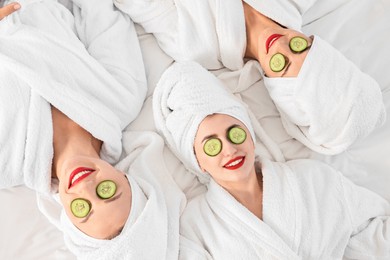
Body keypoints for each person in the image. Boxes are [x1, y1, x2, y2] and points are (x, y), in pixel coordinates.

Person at [1, 1, 183, 259]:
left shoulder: (6, 163)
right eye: (106, 192)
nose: (85, 187)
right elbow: (98, 11)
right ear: (126, 179)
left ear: (67, 218)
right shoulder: (122, 96)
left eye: (81, 208)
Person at [153, 61, 390, 259]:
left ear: (251, 136)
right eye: (211, 146)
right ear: (198, 162)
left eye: (235, 133)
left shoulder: (311, 178)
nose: (229, 149)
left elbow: (373, 234)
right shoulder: (195, 227)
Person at [115, 0, 385, 156]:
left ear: (281, 89)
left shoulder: (194, 45)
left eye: (283, 65)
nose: (280, 45)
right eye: (301, 47)